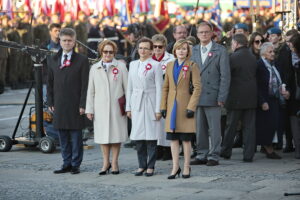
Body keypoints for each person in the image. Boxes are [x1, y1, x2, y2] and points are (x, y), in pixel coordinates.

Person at [47, 28, 89, 174]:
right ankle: (66, 163)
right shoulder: (52, 60)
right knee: (63, 136)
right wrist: (50, 101)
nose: (67, 43)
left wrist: (83, 104)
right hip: (59, 103)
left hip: (76, 104)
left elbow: (85, 85)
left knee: (76, 137)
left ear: (74, 42)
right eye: (64, 40)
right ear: (60, 41)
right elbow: (49, 83)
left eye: (70, 40)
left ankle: (75, 164)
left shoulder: (82, 60)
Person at [190, 21, 230, 166]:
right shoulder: (193, 50)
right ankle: (202, 154)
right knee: (200, 128)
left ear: (212, 33)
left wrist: (222, 96)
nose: (204, 34)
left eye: (207, 32)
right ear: (197, 34)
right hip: (197, 95)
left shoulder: (220, 50)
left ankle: (214, 155)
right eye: (201, 32)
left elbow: (225, 76)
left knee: (214, 128)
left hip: (213, 95)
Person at [85, 40, 128, 175]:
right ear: (101, 52)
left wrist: (129, 107)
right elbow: (90, 90)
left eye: (110, 52)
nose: (108, 54)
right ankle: (105, 162)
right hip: (100, 107)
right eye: (105, 51)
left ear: (114, 53)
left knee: (116, 136)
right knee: (103, 136)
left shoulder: (121, 67)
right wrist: (89, 109)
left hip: (117, 108)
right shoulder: (94, 68)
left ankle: (114, 162)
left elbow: (127, 88)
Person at [160, 39, 201, 179]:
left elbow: (197, 87)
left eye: (184, 48)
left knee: (186, 139)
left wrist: (192, 106)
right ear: (174, 51)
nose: (181, 51)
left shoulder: (192, 66)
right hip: (172, 107)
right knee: (173, 139)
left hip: (185, 107)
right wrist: (163, 106)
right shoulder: (169, 65)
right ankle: (175, 167)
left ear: (188, 51)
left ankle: (186, 167)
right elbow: (165, 87)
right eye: (179, 49)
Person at [126, 37, 163, 177]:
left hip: (150, 101)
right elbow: (129, 87)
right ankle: (141, 165)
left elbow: (159, 88)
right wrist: (128, 107)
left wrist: (158, 109)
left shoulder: (155, 65)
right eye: (140, 48)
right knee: (138, 136)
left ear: (151, 50)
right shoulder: (133, 64)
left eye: (146, 48)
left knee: (151, 136)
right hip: (137, 103)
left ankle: (151, 166)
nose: (142, 51)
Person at [220, 34, 257, 162]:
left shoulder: (232, 57)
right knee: (249, 127)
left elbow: (226, 76)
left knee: (231, 126)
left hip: (235, 97)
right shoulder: (253, 57)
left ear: (236, 43)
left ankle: (225, 151)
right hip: (251, 96)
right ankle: (248, 155)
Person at [256, 42, 290, 159]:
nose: (273, 54)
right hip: (265, 99)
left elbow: (279, 80)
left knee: (275, 125)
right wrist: (262, 101)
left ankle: (270, 148)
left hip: (275, 99)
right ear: (263, 53)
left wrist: (284, 91)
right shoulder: (259, 65)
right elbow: (257, 86)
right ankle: (269, 150)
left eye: (273, 51)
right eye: (270, 52)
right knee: (267, 126)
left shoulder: (274, 65)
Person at [151, 34, 174, 161]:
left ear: (165, 47)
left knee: (166, 122)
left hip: (167, 93)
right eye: (155, 47)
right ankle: (158, 148)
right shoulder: (148, 59)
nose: (157, 49)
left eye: (160, 47)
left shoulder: (171, 59)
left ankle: (168, 149)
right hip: (152, 94)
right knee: (155, 123)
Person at [288, 33, 300, 158]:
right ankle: (298, 148)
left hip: (296, 92)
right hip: (293, 94)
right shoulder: (289, 57)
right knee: (294, 120)